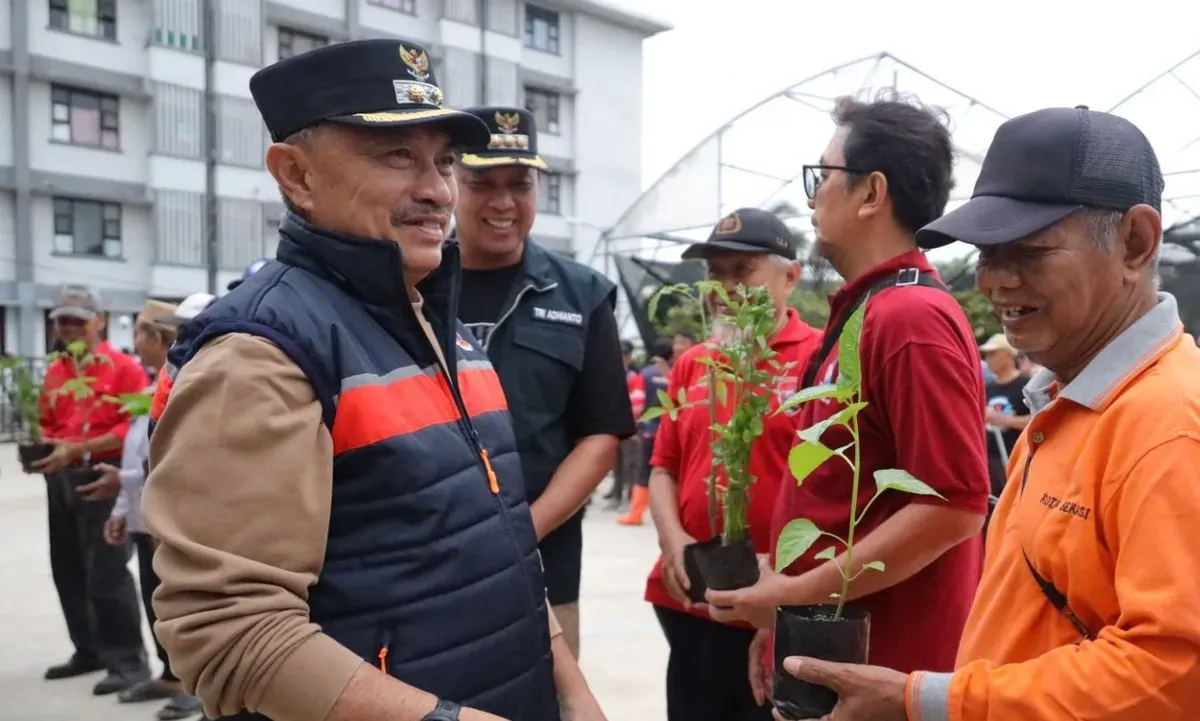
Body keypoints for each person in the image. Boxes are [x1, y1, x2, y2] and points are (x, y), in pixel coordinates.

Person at [142, 40, 605, 721]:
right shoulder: (259, 355)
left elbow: (501, 547)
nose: (437, 190)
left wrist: (572, 689)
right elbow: (230, 633)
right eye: (396, 156)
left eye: (444, 160)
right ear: (296, 174)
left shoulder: (453, 338)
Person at [775, 106, 1200, 721]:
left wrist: (926, 699)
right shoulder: (1069, 404)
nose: (994, 280)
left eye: (1029, 251)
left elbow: (1175, 672)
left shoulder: (1169, 426)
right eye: (985, 252)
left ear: (1135, 242)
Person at [705, 96, 990, 687]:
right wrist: (779, 614)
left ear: (871, 193)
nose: (812, 196)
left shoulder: (909, 318)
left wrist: (792, 597)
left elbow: (954, 506)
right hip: (839, 651)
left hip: (887, 669)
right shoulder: (871, 310)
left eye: (824, 175)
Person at [452, 104, 635, 659]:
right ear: (450, 182)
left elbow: (601, 434)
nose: (504, 202)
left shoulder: (582, 296)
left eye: (520, 184)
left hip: (544, 565)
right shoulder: (409, 282)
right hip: (424, 563)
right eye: (482, 183)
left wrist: (524, 530)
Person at [646, 209, 821, 721]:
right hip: (692, 596)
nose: (724, 288)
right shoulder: (695, 361)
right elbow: (663, 468)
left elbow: (827, 492)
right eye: (714, 274)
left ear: (790, 276)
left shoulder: (817, 360)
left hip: (775, 604)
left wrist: (787, 599)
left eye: (741, 273)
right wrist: (672, 541)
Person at [33, 284, 151, 694]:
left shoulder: (124, 368)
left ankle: (128, 661)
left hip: (104, 472)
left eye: (77, 320)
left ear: (99, 320)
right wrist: (48, 448)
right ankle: (88, 649)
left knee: (107, 571)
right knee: (67, 566)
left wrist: (79, 448)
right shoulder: (55, 371)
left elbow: (132, 425)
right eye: (61, 320)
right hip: (61, 476)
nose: (68, 328)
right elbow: (47, 421)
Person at [99, 296, 212, 720]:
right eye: (175, 330)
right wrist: (121, 505)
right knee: (156, 598)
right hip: (148, 512)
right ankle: (171, 674)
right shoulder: (160, 383)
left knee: (190, 604)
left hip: (183, 515)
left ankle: (194, 683)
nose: (176, 338)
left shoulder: (207, 379)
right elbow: (138, 454)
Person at [617, 337, 675, 526]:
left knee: (643, 472)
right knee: (669, 472)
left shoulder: (645, 374)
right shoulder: (674, 374)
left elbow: (637, 402)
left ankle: (636, 514)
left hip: (649, 430)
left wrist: (634, 426)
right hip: (669, 431)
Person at [980, 332, 1030, 496]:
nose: (988, 359)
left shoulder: (1026, 385)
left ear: (1008, 355)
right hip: (991, 458)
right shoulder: (988, 387)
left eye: (993, 354)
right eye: (986, 355)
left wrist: (1003, 420)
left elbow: (1038, 420)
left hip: (1018, 457)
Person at [607, 340, 644, 509]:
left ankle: (629, 499)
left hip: (630, 427)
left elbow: (637, 403)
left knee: (631, 465)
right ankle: (616, 495)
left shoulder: (635, 376)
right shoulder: (611, 374)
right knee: (616, 464)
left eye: (624, 354)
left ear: (629, 356)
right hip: (612, 426)